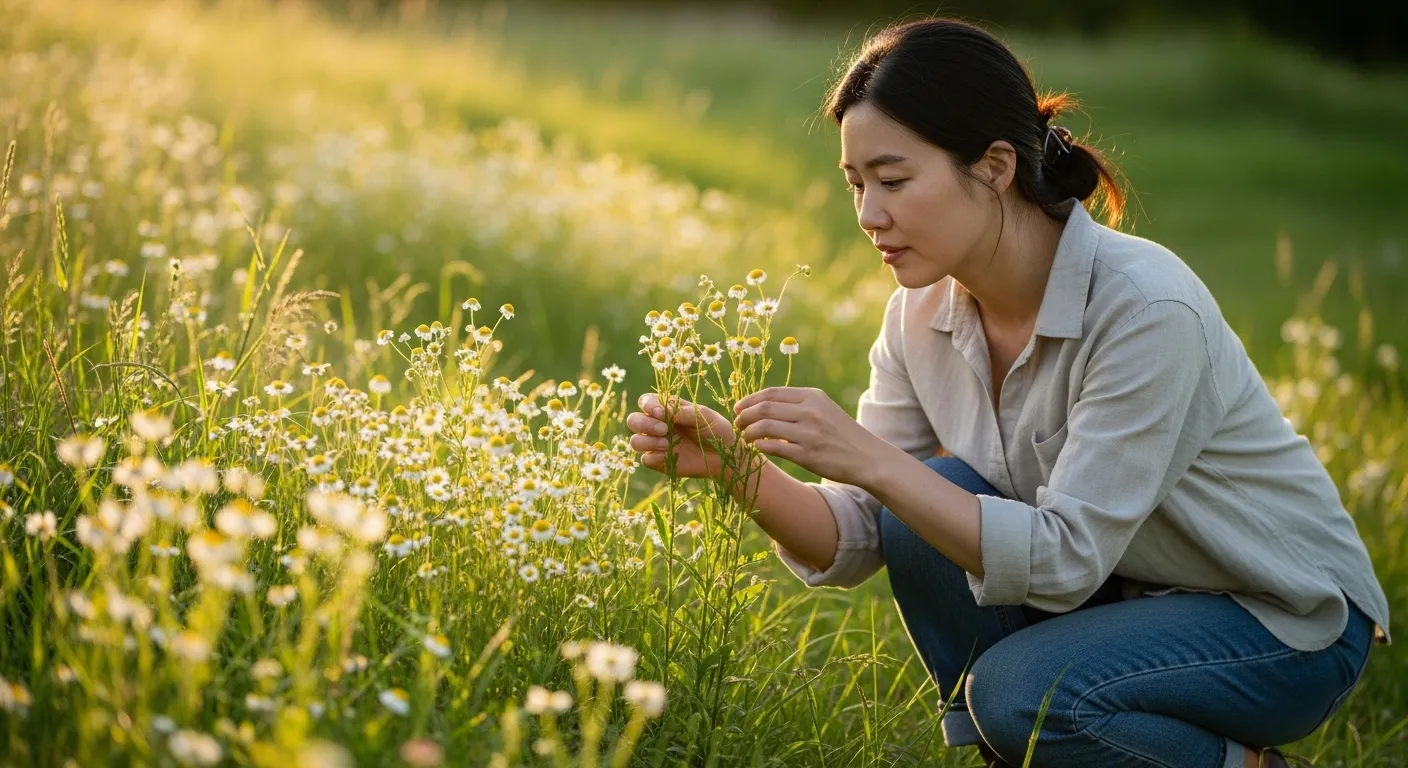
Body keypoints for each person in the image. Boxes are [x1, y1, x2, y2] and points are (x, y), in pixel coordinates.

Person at [624, 17, 1392, 768]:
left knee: (1019, 691)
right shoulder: (917, 316)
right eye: (856, 184)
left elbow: (1064, 559)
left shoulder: (1145, 310)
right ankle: (1015, 754)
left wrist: (873, 461)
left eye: (893, 180)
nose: (869, 215)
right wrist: (739, 471)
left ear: (994, 167)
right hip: (1123, 602)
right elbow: (861, 535)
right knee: (934, 498)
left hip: (1277, 622)